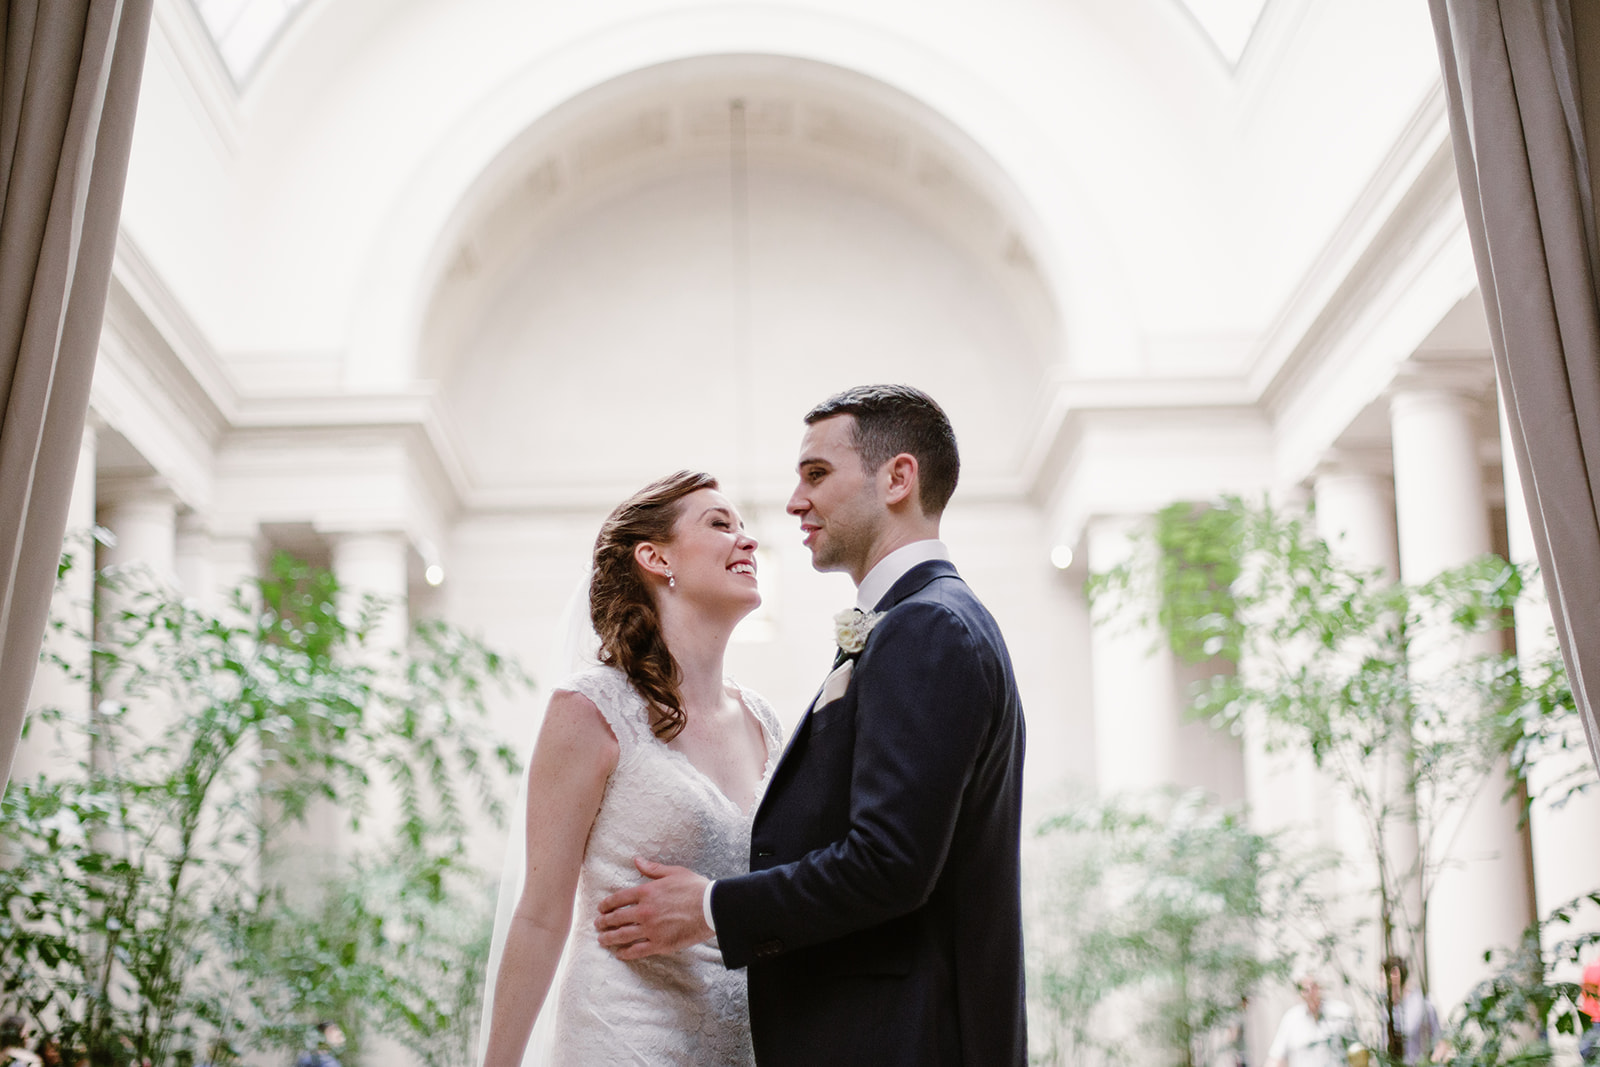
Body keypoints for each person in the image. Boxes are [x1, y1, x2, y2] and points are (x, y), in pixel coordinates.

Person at [595, 384, 1029, 1066]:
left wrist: (709, 908)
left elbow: (889, 863)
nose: (796, 502)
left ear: (898, 478)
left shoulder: (928, 626)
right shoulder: (912, 622)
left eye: (817, 475)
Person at [480, 471, 781, 1065]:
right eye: (720, 524)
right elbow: (542, 915)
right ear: (654, 556)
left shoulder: (765, 721)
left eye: (745, 528)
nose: (746, 541)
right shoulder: (590, 709)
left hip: (745, 1046)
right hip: (624, 1037)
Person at [1265, 976, 1357, 1067]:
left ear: (1320, 987)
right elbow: (1276, 1057)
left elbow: (1356, 1053)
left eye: (1313, 987)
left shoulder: (1342, 1013)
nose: (1310, 992)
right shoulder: (1291, 1018)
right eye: (1304, 989)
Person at [1383, 956, 1443, 1065]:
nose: (1380, 986)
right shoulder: (1386, 1010)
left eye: (1382, 980)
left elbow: (1440, 1043)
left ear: (1395, 975)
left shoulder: (1423, 1005)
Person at [1579, 960, 1600, 1065]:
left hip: (1589, 1017)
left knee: (1587, 1054)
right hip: (1597, 1018)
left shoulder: (1590, 967)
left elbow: (1584, 992)